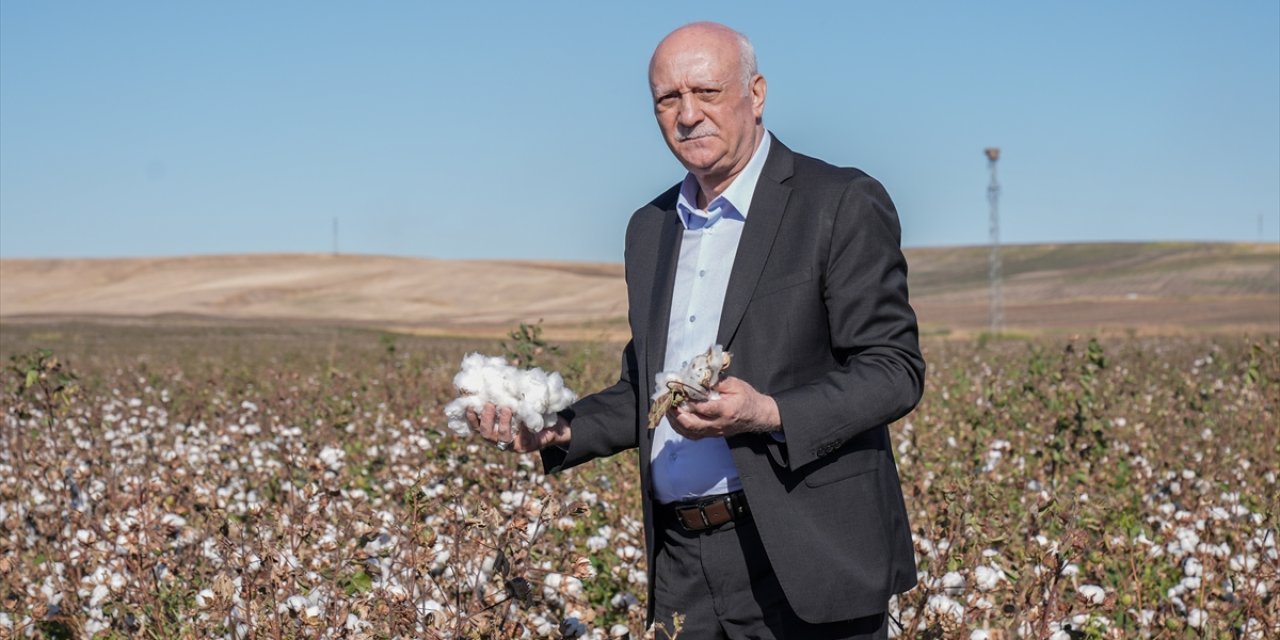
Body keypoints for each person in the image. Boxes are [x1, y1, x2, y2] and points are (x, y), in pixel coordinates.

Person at [468, 21, 924, 640]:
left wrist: (767, 411)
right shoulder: (650, 227)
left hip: (806, 557)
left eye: (707, 92)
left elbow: (892, 370)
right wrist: (556, 429)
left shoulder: (837, 201)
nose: (687, 115)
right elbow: (645, 389)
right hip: (683, 564)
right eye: (667, 98)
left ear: (756, 94)